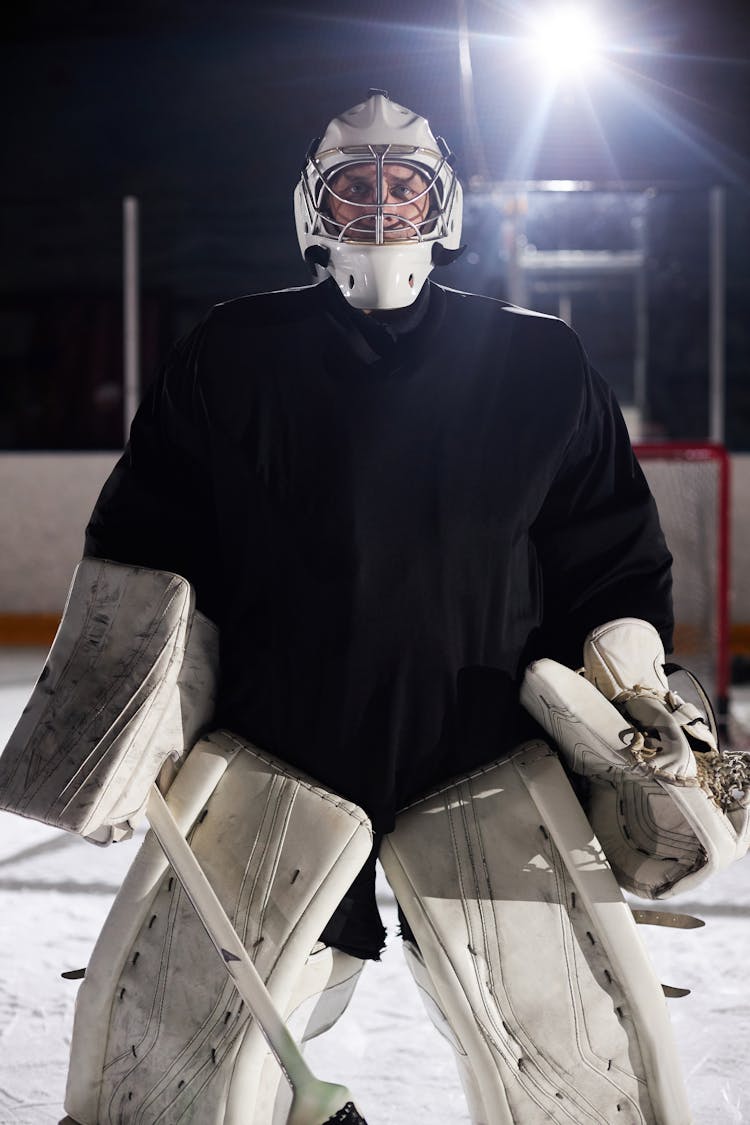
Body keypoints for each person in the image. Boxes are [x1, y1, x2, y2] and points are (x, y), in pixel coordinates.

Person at [29, 90, 728, 1123]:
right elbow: (145, 552)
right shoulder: (230, 356)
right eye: (356, 182)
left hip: (486, 757)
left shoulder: (540, 362)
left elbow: (610, 562)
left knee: (583, 1075)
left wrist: (639, 696)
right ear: (314, 207)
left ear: (443, 209)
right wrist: (129, 717)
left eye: (405, 183)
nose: (382, 202)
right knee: (170, 1073)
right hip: (275, 750)